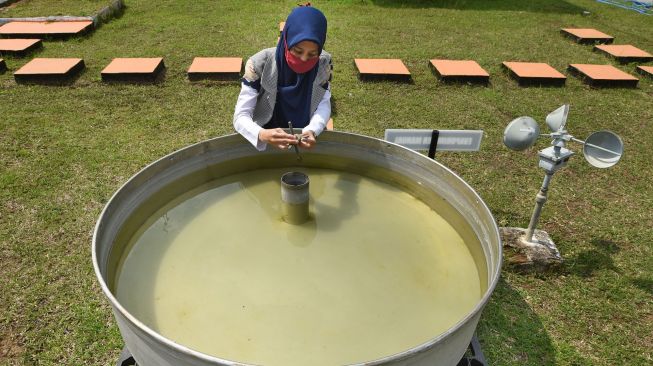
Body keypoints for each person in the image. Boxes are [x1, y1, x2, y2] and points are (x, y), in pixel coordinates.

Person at [233, 5, 332, 151]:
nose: (304, 59)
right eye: (297, 51)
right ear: (286, 41)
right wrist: (261, 134)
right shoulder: (258, 64)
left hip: (302, 136)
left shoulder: (323, 63)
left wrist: (312, 130)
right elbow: (240, 116)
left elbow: (323, 103)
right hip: (264, 131)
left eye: (312, 54)